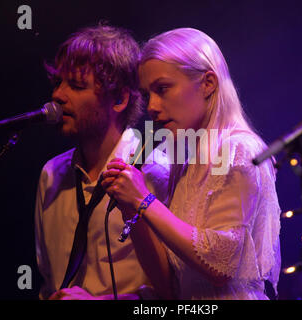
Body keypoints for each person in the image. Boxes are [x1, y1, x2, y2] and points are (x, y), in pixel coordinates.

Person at [101, 28, 281, 300]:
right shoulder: (185, 163)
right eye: (148, 94)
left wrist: (144, 200)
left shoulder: (239, 149)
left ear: (208, 83)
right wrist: (131, 208)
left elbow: (221, 264)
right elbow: (168, 285)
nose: (151, 106)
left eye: (162, 89)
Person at [34, 23, 168, 300]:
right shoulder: (51, 173)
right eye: (58, 82)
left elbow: (175, 292)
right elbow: (48, 282)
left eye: (76, 85)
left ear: (118, 98)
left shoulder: (156, 171)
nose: (57, 95)